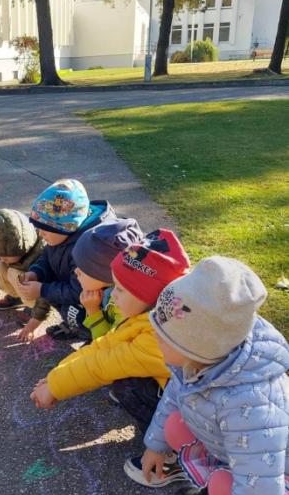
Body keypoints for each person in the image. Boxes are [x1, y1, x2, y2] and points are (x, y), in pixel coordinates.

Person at [136, 257, 288, 495]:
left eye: (165, 337)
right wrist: (155, 445)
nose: (155, 336)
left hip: (276, 477)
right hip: (238, 455)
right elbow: (173, 397)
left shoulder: (254, 406)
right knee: (174, 426)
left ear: (197, 347)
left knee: (228, 489)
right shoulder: (200, 359)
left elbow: (258, 493)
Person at [30, 230, 190, 442]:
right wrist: (55, 377)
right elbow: (106, 344)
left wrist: (55, 388)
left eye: (121, 290)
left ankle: (172, 453)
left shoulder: (158, 337)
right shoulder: (154, 315)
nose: (112, 294)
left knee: (127, 384)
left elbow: (105, 364)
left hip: (199, 418)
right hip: (187, 401)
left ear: (150, 296)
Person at [17, 178, 116, 341]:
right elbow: (48, 256)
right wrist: (36, 272)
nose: (41, 234)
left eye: (45, 230)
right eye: (38, 228)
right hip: (74, 288)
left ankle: (88, 334)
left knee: (72, 311)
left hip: (93, 302)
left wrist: (42, 290)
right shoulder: (60, 234)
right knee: (52, 291)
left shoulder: (87, 248)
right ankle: (77, 325)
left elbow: (79, 291)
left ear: (68, 227)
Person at [0, 209, 49, 337]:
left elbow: (47, 291)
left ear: (22, 246)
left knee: (13, 272)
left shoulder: (41, 252)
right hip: (23, 283)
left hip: (39, 293)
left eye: (6, 256)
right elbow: (0, 259)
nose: (2, 258)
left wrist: (36, 320)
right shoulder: (9, 246)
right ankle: (17, 298)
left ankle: (32, 307)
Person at [71, 218, 143, 341]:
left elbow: (110, 345)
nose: (75, 271)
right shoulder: (112, 286)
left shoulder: (127, 307)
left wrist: (93, 311)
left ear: (106, 273)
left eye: (83, 269)